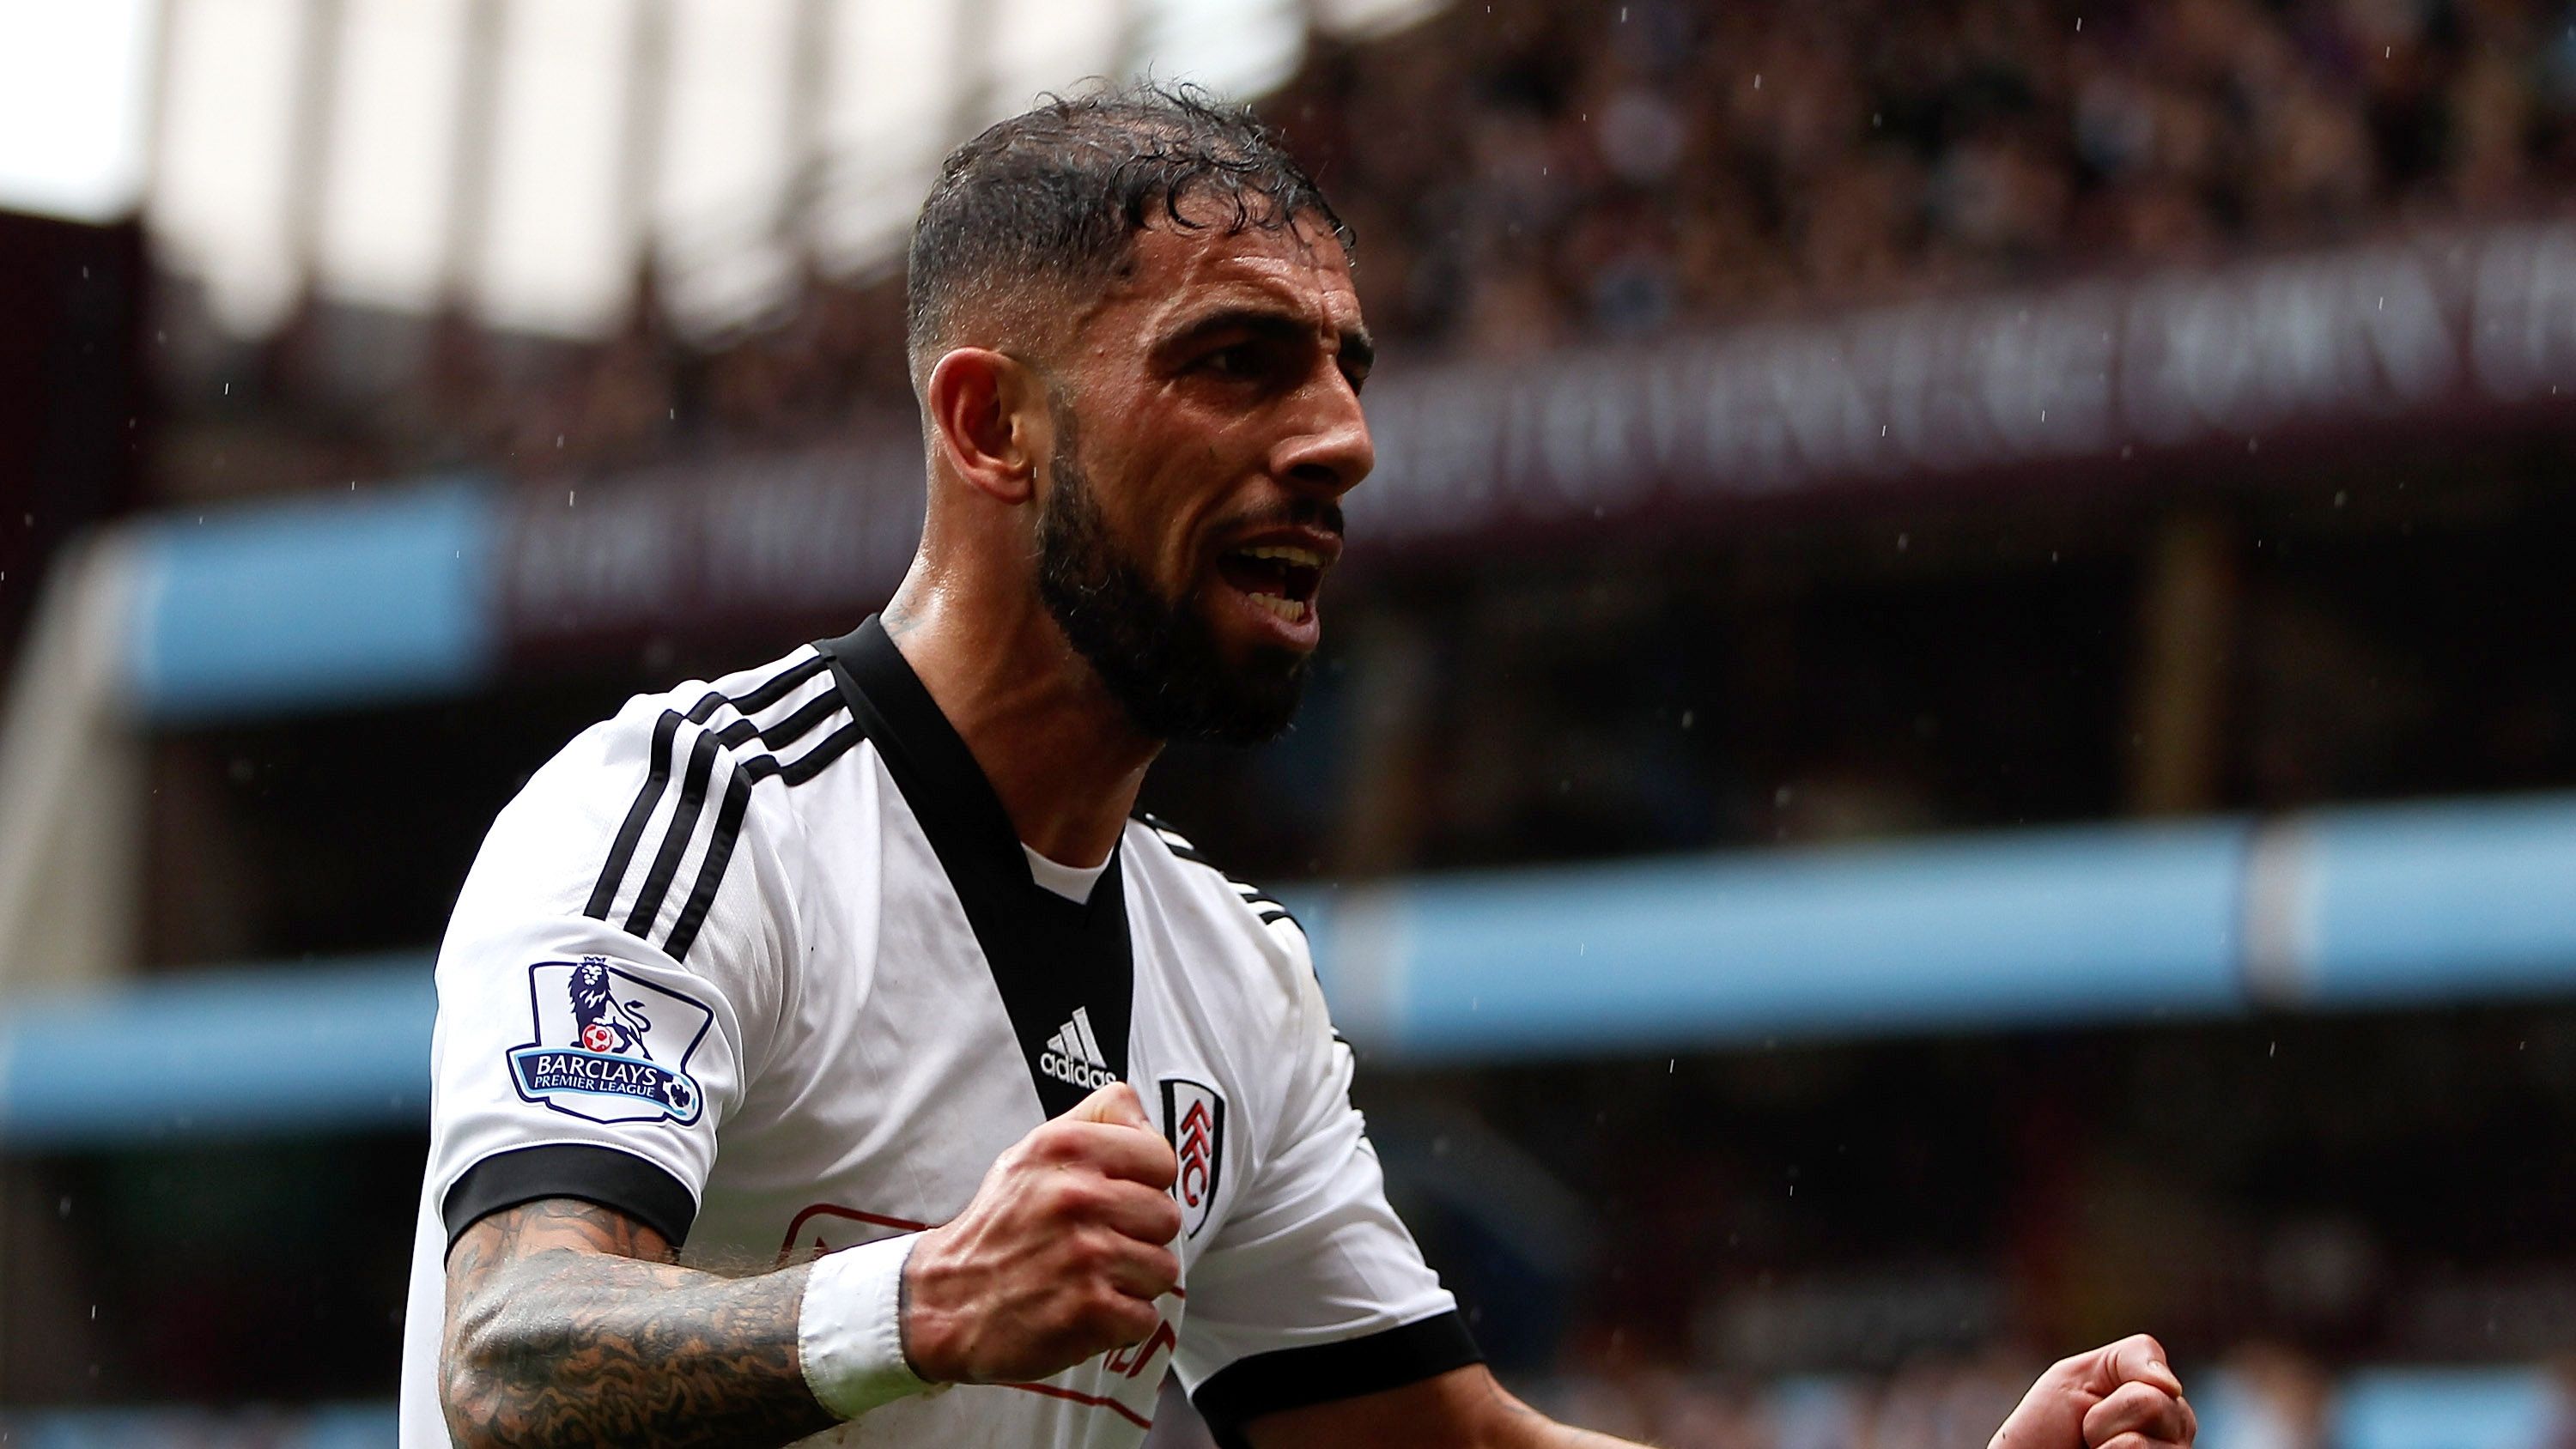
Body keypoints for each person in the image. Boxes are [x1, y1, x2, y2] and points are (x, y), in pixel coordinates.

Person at [396, 84, 2199, 1449]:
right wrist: (923, 1296)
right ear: (989, 422)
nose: (1338, 439)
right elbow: (513, 1350)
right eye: (1237, 362)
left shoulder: (1230, 977)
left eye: (1343, 370)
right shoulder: (692, 814)